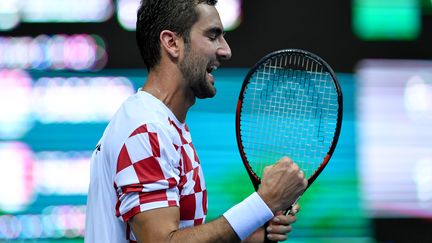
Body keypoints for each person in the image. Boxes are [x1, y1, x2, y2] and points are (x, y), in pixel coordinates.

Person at [84, 0, 308, 242]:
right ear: (172, 43)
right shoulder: (147, 129)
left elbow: (180, 233)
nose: (226, 50)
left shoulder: (164, 125)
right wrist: (263, 202)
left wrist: (249, 233)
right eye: (213, 36)